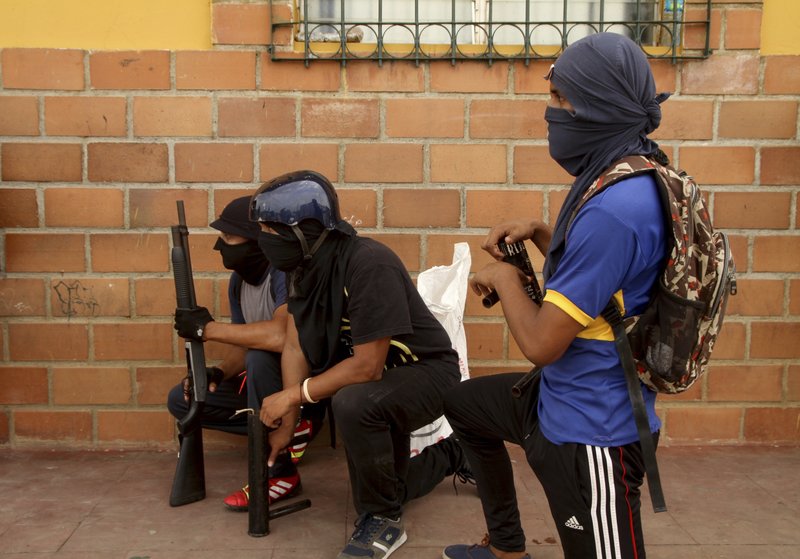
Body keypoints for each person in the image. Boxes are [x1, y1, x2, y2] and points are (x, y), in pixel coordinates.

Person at [441, 33, 669, 559]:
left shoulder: (614, 209)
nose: (551, 112)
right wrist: (544, 233)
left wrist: (502, 280)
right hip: (558, 398)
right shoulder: (636, 172)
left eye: (561, 100)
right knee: (463, 404)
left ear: (598, 107)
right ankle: (506, 547)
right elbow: (614, 274)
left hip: (595, 430)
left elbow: (543, 343)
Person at [250, 170, 471, 559]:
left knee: (352, 400)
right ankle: (457, 454)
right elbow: (297, 346)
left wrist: (294, 395)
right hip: (381, 383)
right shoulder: (303, 269)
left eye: (271, 230)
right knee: (392, 485)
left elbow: (367, 366)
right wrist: (290, 414)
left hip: (427, 373)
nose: (264, 240)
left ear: (305, 230)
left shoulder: (368, 263)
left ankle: (383, 521)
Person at [168, 195, 325, 511]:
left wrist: (207, 329)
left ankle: (281, 470)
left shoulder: (285, 273)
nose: (220, 246)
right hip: (267, 385)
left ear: (256, 240)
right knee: (182, 399)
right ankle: (281, 435)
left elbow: (282, 337)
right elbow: (245, 343)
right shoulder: (238, 282)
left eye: (228, 237)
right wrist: (219, 372)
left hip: (307, 391)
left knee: (260, 358)